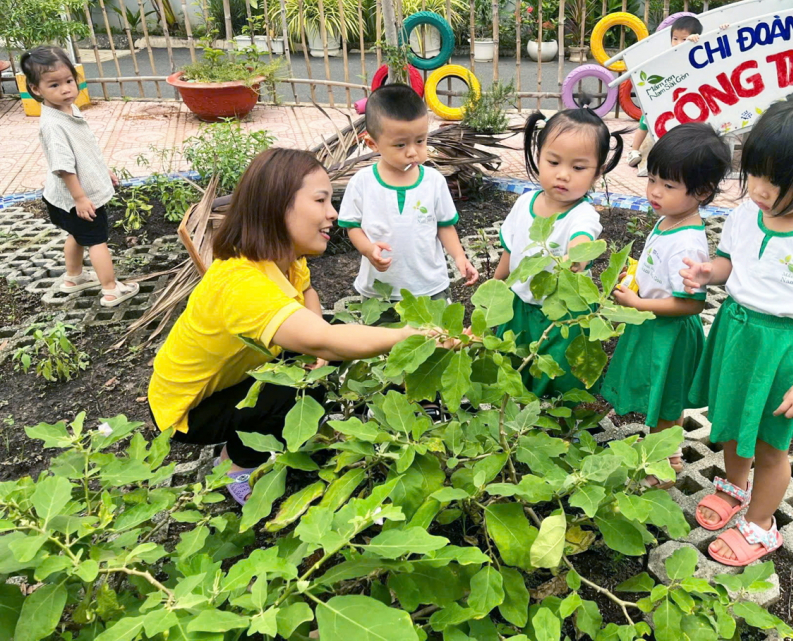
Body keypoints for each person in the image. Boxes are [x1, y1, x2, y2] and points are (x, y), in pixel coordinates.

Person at [148, 148, 436, 505]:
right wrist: (413, 336)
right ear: (277, 205)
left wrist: (315, 344)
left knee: (313, 359)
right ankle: (235, 464)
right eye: (321, 200)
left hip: (231, 380)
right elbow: (327, 341)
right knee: (293, 387)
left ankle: (270, 425)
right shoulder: (241, 283)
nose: (333, 213)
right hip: (188, 411)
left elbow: (306, 290)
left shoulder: (284, 259)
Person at [680, 94, 793, 566]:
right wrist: (708, 273)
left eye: (776, 180)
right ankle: (734, 487)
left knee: (769, 444)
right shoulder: (748, 214)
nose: (759, 188)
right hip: (736, 333)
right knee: (730, 426)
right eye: (755, 172)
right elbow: (729, 263)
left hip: (785, 352)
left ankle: (761, 525)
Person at [603, 123, 730, 488]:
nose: (655, 191)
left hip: (670, 332)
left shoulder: (689, 242)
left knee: (666, 402)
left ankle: (666, 463)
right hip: (653, 323)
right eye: (653, 179)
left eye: (669, 186)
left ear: (702, 191)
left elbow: (691, 305)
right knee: (657, 395)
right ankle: (663, 450)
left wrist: (639, 303)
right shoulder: (668, 220)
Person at [494, 108, 623, 397]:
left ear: (597, 173)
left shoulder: (582, 215)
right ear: (539, 157)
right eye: (553, 161)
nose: (563, 175)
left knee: (562, 377)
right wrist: (495, 291)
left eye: (578, 168)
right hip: (519, 308)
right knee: (515, 368)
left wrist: (576, 258)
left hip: (565, 317)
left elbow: (582, 242)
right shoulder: (524, 203)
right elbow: (509, 254)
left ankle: (563, 430)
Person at [338, 84, 478, 321]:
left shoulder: (433, 181)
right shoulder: (362, 182)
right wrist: (368, 250)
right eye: (401, 145)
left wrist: (460, 257)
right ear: (372, 143)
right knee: (381, 350)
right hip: (380, 290)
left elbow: (444, 225)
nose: (413, 152)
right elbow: (353, 226)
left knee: (434, 344)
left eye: (420, 141)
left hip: (429, 288)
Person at [21, 46, 139, 306]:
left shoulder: (67, 109)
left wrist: (101, 170)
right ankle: (110, 288)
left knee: (76, 235)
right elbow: (64, 166)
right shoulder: (53, 124)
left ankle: (74, 277)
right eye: (54, 85)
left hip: (61, 197)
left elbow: (83, 153)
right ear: (36, 89)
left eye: (69, 81)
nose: (65, 89)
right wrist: (81, 198)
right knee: (97, 241)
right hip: (78, 199)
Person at [627, 15, 705, 177]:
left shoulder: (696, 49)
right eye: (675, 38)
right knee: (645, 120)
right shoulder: (669, 53)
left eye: (683, 39)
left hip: (686, 98)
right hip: (665, 98)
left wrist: (695, 42)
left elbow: (710, 47)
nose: (677, 43)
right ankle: (634, 150)